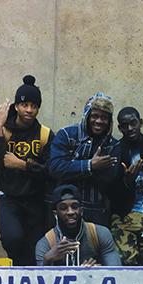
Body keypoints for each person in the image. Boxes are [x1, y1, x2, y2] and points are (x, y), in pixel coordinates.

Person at [0, 75, 54, 265]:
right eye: (25, 105)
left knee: (36, 247)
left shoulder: (45, 134)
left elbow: (51, 171)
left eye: (34, 106)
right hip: (8, 197)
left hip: (36, 199)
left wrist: (23, 165)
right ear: (16, 106)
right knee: (12, 239)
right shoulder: (4, 130)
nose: (29, 110)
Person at [49, 92, 120, 226]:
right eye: (95, 116)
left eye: (104, 117)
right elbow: (55, 168)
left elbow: (110, 178)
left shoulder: (113, 145)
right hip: (66, 207)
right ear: (87, 115)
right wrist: (89, 165)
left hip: (96, 209)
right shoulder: (66, 134)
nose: (99, 121)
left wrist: (72, 167)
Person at [109, 107, 143, 266]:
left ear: (140, 123)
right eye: (124, 125)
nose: (129, 128)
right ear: (119, 128)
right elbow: (110, 190)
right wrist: (127, 181)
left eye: (133, 123)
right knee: (127, 262)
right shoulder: (115, 150)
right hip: (126, 213)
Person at [35, 184, 121, 266]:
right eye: (63, 208)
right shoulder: (46, 244)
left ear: (81, 210)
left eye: (75, 206)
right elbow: (40, 280)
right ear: (55, 213)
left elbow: (116, 271)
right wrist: (47, 260)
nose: (70, 212)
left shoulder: (100, 233)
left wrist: (96, 273)